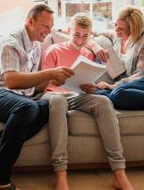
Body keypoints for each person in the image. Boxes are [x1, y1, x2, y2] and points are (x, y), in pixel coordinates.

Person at [0, 4, 74, 190]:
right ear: (30, 21)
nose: (48, 31)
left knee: (46, 108)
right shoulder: (11, 42)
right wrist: (50, 73)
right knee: (28, 108)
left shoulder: (35, 46)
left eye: (51, 28)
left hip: (17, 97)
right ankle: (0, 180)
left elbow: (32, 86)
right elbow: (11, 81)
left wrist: (53, 80)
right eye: (45, 26)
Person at [41, 13, 134, 190]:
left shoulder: (88, 54)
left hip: (77, 95)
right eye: (76, 34)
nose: (80, 40)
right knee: (59, 101)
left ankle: (119, 173)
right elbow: (42, 83)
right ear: (69, 31)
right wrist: (55, 79)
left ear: (89, 36)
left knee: (103, 102)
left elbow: (84, 81)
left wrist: (90, 87)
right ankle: (61, 175)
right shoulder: (53, 51)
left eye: (85, 36)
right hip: (53, 95)